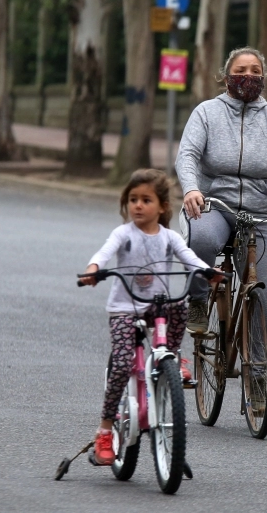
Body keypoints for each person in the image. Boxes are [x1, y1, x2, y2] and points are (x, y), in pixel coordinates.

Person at [79, 169, 223, 466]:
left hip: (156, 305)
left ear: (162, 207)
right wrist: (94, 269)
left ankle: (172, 355)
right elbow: (104, 253)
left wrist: (207, 271)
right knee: (121, 365)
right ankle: (105, 432)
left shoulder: (169, 237)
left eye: (146, 200)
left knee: (180, 304)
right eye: (133, 200)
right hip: (125, 309)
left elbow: (190, 258)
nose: (138, 206)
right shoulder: (123, 234)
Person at [176, 46, 267, 336]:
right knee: (200, 238)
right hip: (215, 207)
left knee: (266, 295)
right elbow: (187, 155)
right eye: (240, 71)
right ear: (226, 76)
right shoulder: (206, 113)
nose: (248, 76)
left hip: (261, 215)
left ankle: (259, 372)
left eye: (255, 71)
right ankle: (198, 299)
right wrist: (191, 189)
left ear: (263, 77)